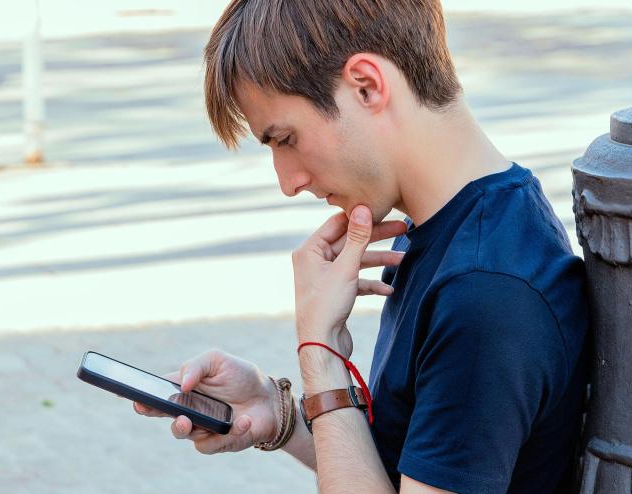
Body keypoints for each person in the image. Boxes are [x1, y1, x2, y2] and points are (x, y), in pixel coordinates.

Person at [134, 0, 590, 492]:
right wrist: (280, 412)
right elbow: (401, 470)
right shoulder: (461, 226)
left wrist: (320, 352)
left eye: (285, 139)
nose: (287, 182)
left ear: (367, 85)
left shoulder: (484, 293)